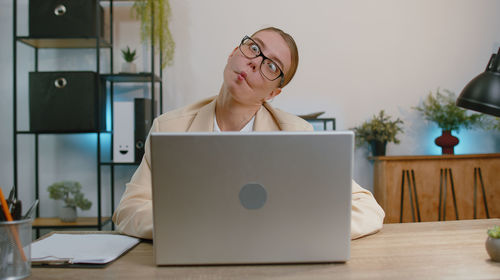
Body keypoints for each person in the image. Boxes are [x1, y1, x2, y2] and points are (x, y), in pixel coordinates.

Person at [112, 27, 385, 240]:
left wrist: (291, 229)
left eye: (272, 66)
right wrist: (191, 226)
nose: (255, 62)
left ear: (273, 93)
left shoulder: (296, 135)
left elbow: (368, 209)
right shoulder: (168, 128)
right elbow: (128, 210)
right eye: (253, 48)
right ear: (234, 52)